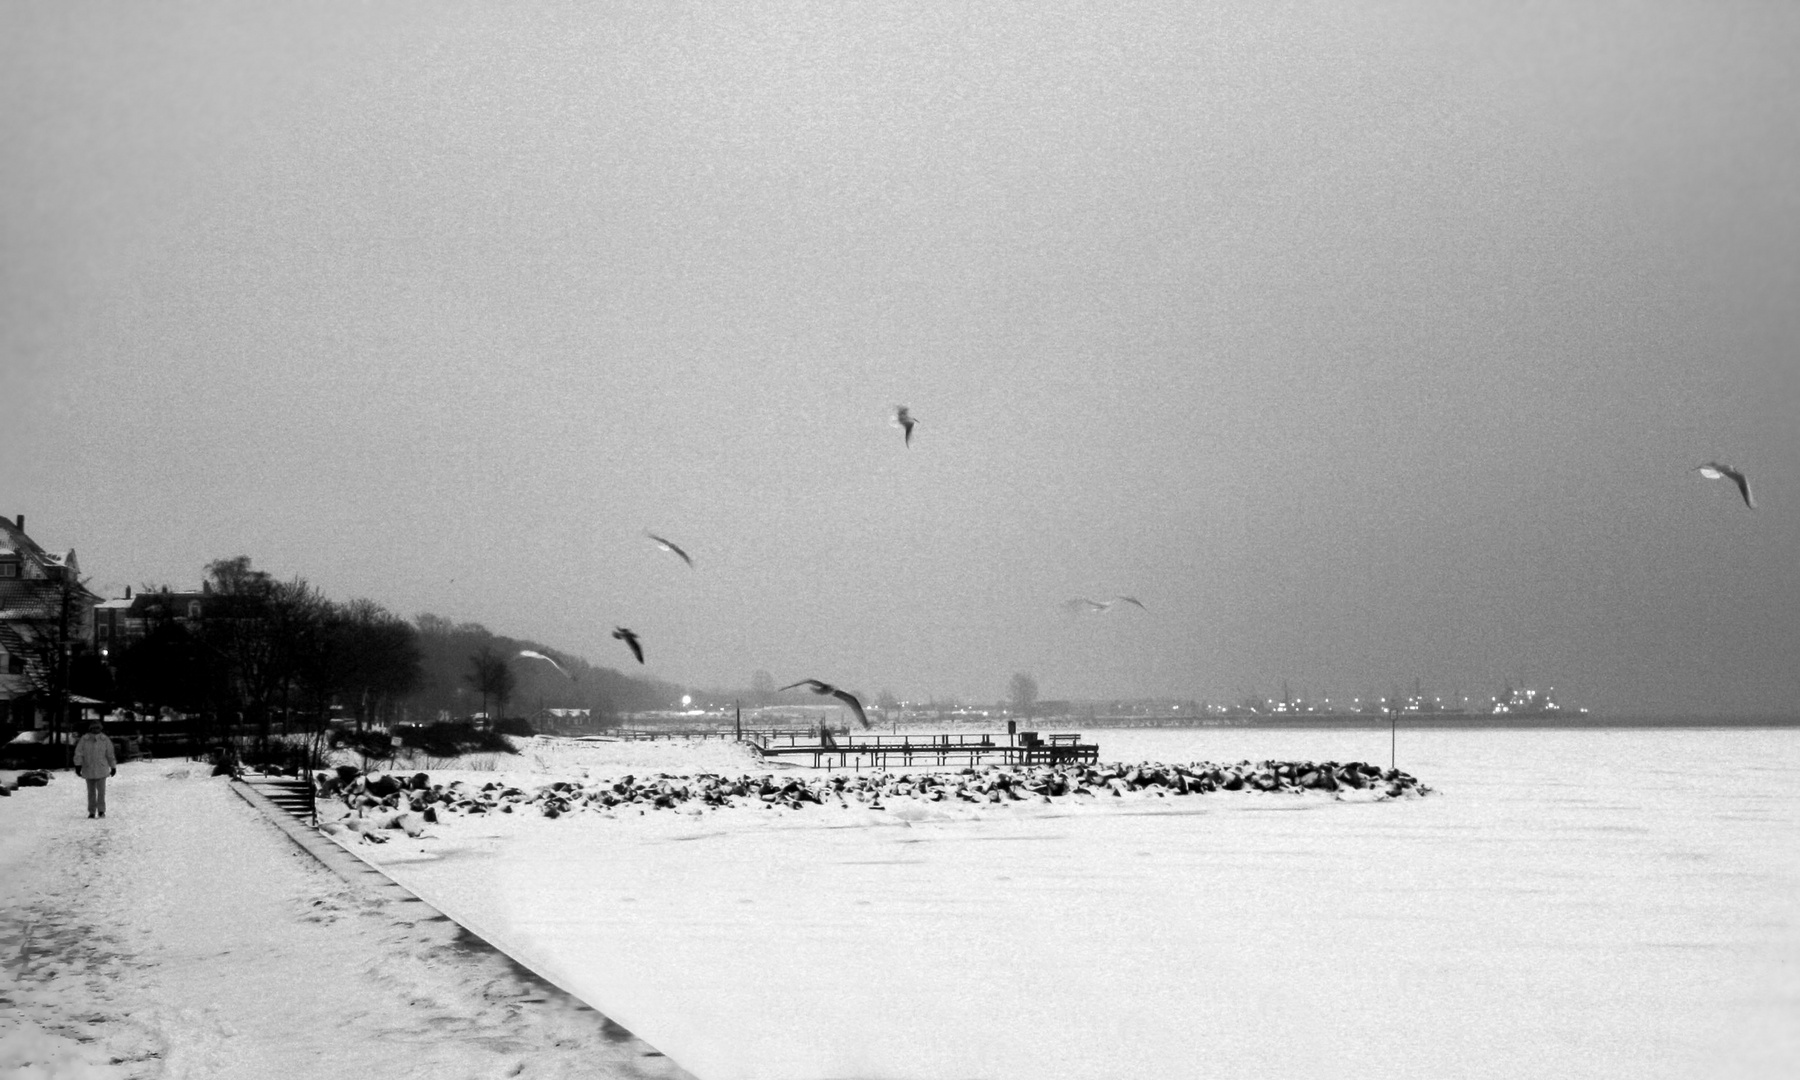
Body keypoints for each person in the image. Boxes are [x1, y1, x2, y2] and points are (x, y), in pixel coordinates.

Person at [71, 721, 118, 819]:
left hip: (101, 769)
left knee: (101, 792)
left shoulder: (105, 740)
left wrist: (113, 766)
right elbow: (79, 753)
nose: (96, 730)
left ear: (101, 729)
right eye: (94, 728)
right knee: (91, 792)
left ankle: (101, 811)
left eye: (98, 728)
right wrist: (78, 765)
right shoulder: (84, 739)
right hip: (88, 768)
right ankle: (91, 811)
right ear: (90, 729)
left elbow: (110, 754)